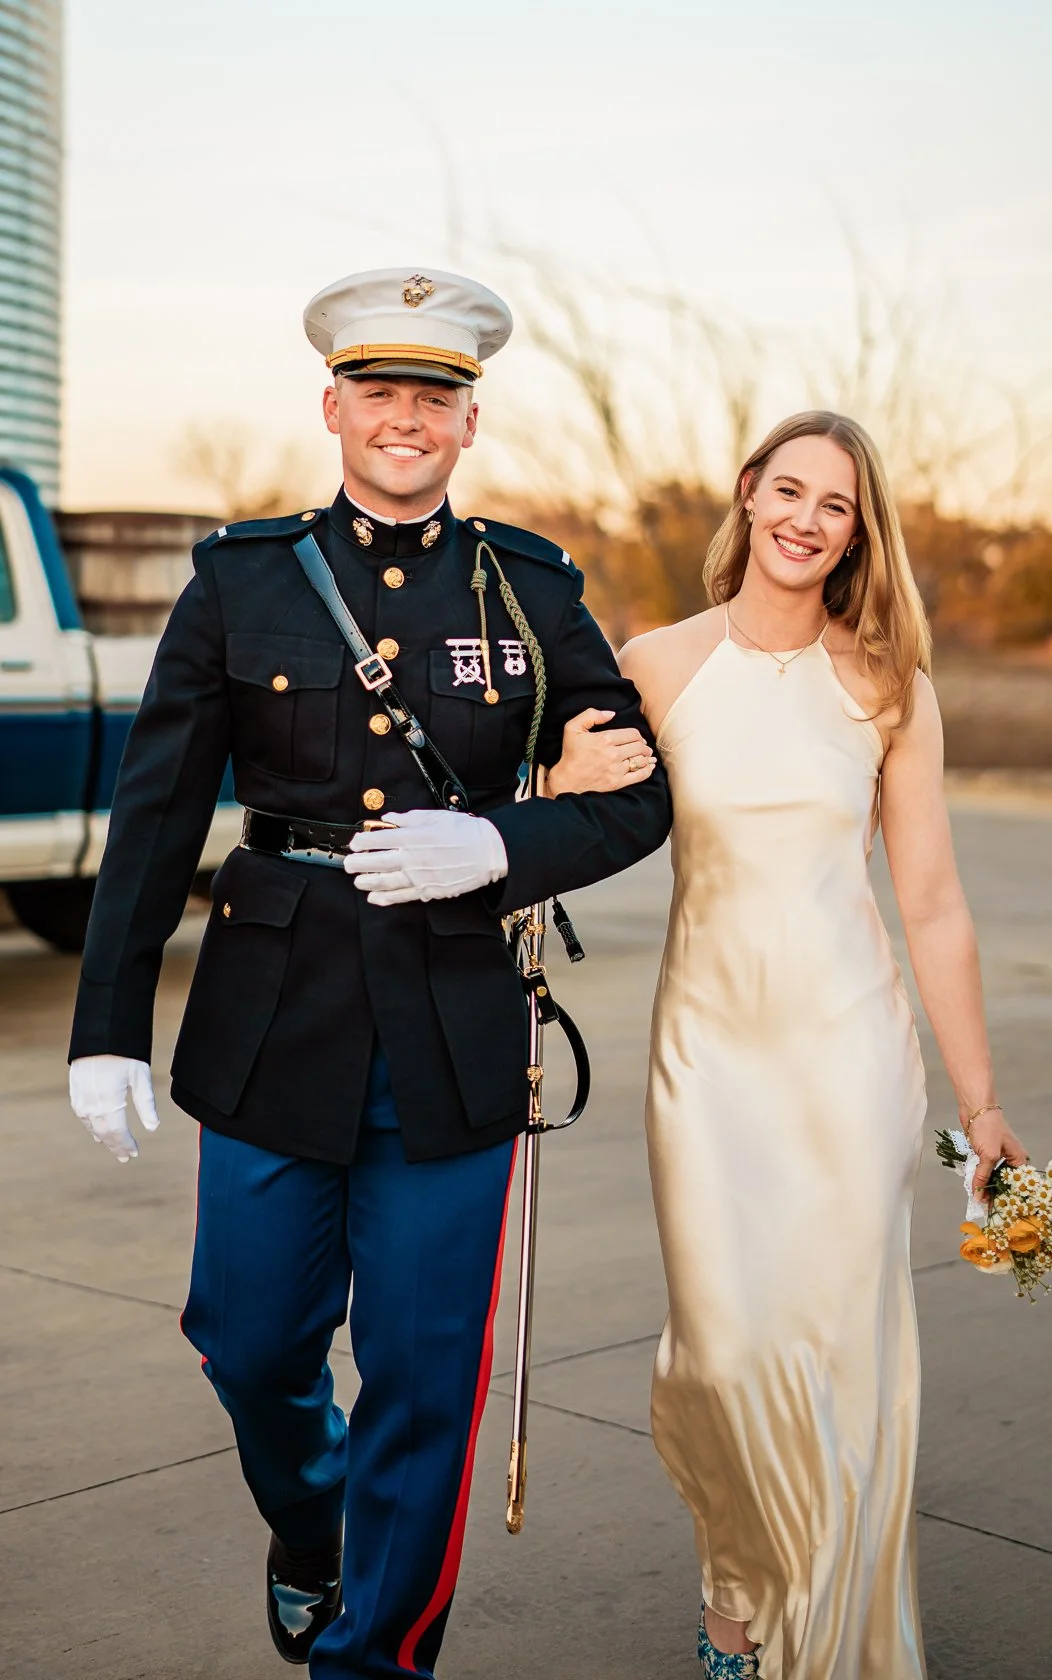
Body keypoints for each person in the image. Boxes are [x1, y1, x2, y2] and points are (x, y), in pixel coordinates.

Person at [66, 266, 670, 1678]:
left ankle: (374, 1659)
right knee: (248, 1342)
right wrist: (105, 1025)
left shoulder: (527, 590)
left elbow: (638, 794)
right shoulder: (241, 581)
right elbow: (156, 818)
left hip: (456, 1020)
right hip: (274, 1015)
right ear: (333, 407)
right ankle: (308, 1521)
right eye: (382, 394)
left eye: (436, 400)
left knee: (424, 1384)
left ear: (470, 425)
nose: (407, 420)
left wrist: (502, 843)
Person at [547, 411, 1029, 1679]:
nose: (810, 519)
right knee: (722, 1353)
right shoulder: (652, 664)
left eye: (841, 505)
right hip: (704, 1063)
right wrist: (549, 789)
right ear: (750, 493)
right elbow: (559, 819)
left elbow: (929, 902)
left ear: (860, 532)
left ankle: (818, 1643)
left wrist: (978, 1106)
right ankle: (738, 1590)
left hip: (847, 1060)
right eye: (792, 490)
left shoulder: (885, 682)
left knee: (836, 1357)